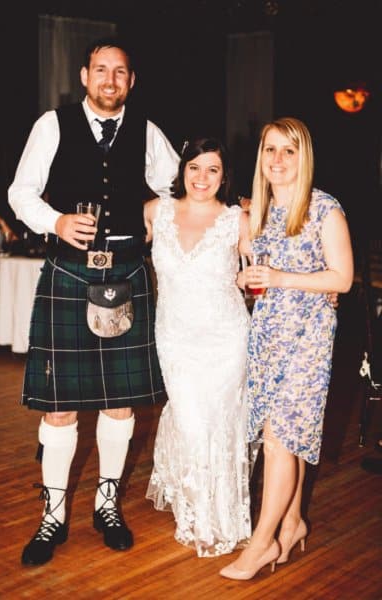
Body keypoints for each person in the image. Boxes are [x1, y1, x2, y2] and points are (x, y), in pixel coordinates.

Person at [8, 36, 179, 566]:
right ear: (84, 76)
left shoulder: (148, 133)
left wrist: (159, 206)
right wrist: (55, 221)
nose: (110, 80)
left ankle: (108, 502)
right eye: (100, 70)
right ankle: (53, 513)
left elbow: (182, 186)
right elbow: (20, 192)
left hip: (127, 272)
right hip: (68, 272)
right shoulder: (52, 124)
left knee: (119, 402)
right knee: (59, 409)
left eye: (120, 72)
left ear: (131, 81)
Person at [220, 117, 353, 580]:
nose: (277, 160)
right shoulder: (257, 211)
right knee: (287, 441)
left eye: (288, 151)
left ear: (304, 157)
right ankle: (293, 523)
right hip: (267, 336)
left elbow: (343, 278)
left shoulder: (323, 208)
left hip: (309, 339)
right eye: (270, 150)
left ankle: (261, 544)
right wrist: (247, 278)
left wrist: (280, 279)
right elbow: (255, 272)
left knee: (279, 441)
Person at [144, 137, 253, 557]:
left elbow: (261, 265)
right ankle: (200, 513)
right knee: (190, 422)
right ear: (182, 170)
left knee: (219, 425)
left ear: (224, 177)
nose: (202, 178)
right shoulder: (157, 212)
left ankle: (217, 518)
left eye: (213, 170)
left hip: (227, 337)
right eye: (195, 167)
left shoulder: (236, 219)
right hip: (175, 337)